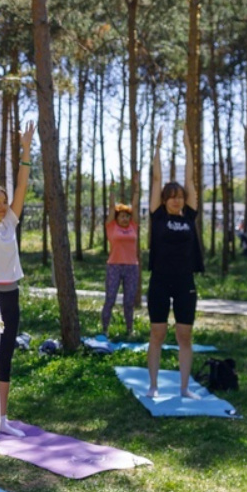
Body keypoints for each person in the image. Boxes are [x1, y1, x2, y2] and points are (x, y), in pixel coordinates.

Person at [0, 120, 34, 437]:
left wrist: (26, 150)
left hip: (11, 295)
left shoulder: (9, 223)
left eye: (4, 202)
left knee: (6, 355)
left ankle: (1, 419)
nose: (2, 206)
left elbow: (23, 186)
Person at [144, 133, 204, 399]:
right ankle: (153, 385)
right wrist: (156, 148)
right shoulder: (157, 216)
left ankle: (184, 388)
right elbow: (156, 179)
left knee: (184, 334)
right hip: (159, 281)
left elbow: (191, 180)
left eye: (179, 196)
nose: (176, 200)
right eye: (171, 196)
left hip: (184, 283)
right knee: (157, 332)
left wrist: (189, 148)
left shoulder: (190, 216)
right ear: (165, 200)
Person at [101, 174, 143, 337]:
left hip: (132, 267)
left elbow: (135, 205)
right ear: (117, 218)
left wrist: (137, 188)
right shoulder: (111, 226)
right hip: (114, 266)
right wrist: (112, 189)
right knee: (110, 298)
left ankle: (129, 330)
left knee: (128, 302)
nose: (125, 218)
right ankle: (104, 329)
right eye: (122, 216)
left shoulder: (133, 226)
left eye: (127, 216)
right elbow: (112, 207)